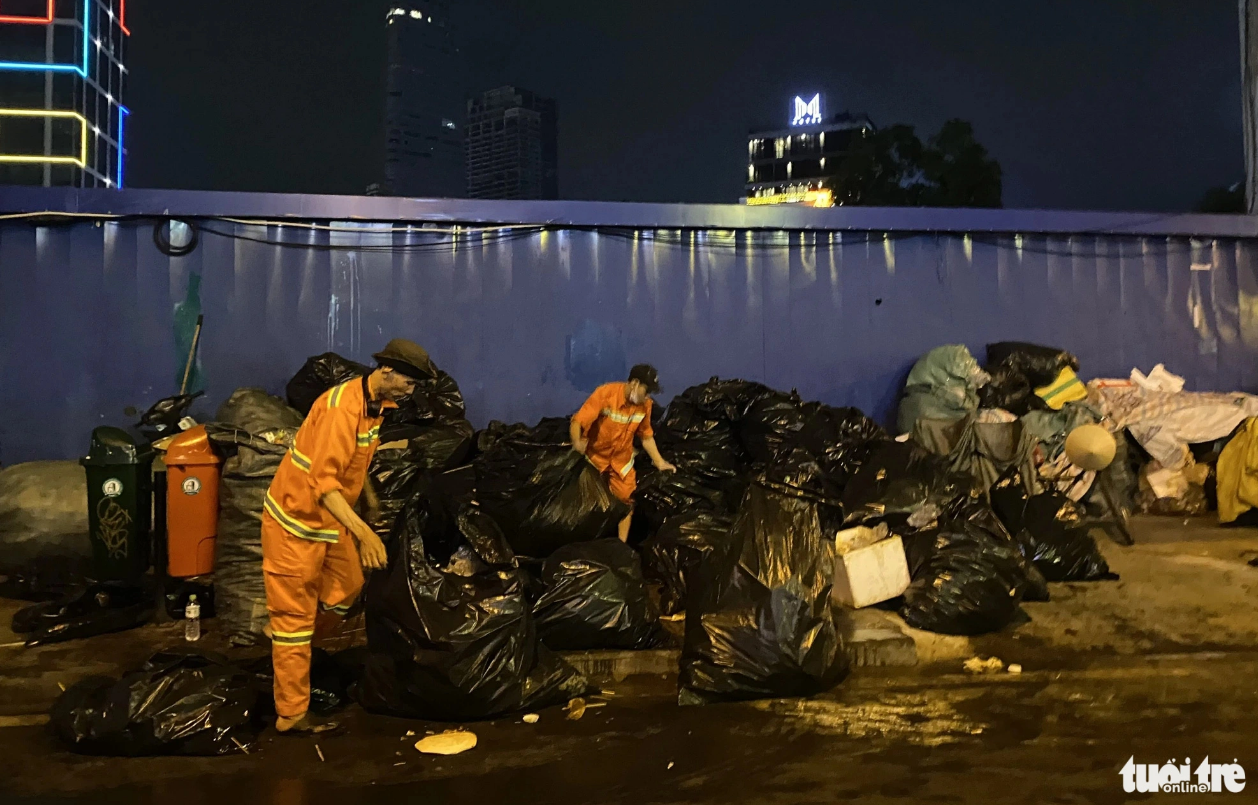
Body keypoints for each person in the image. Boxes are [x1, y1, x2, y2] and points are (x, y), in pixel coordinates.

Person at [262, 338, 436, 734]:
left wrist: (369, 501)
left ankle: (295, 639)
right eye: (408, 382)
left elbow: (354, 462)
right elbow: (323, 486)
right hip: (295, 525)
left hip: (328, 521)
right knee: (294, 619)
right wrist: (365, 534)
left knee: (348, 586)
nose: (412, 391)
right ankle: (291, 713)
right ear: (386, 371)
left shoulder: (374, 406)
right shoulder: (343, 409)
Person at [570, 364, 676, 542]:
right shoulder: (605, 394)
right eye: (646, 390)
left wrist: (659, 462)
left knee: (627, 502)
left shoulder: (645, 406)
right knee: (590, 504)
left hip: (621, 462)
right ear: (634, 383)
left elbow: (646, 436)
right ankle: (587, 545)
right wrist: (577, 442)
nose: (648, 397)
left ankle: (620, 546)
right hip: (595, 459)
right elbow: (577, 421)